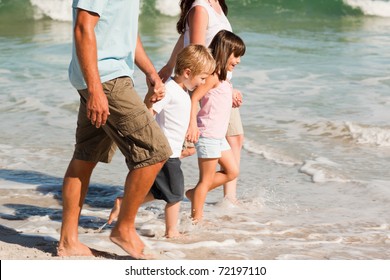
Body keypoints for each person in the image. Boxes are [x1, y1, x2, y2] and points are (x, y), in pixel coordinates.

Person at [57, 0, 172, 259]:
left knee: (84, 158)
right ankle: (124, 228)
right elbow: (83, 27)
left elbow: (127, 33)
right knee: (155, 150)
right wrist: (96, 89)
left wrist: (151, 73)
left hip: (106, 77)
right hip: (106, 80)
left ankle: (68, 241)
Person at [107, 45, 216, 238]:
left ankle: (124, 203)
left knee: (161, 192)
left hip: (172, 151)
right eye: (202, 78)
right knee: (175, 194)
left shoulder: (182, 92)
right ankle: (171, 231)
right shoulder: (170, 91)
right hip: (164, 152)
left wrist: (184, 145)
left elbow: (175, 123)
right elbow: (149, 114)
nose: (203, 83)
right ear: (187, 72)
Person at [159, 0, 244, 203]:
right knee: (185, 147)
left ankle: (228, 199)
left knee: (235, 139)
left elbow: (184, 38)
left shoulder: (217, 7)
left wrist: (226, 85)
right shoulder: (200, 8)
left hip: (221, 84)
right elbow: (197, 52)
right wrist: (215, 84)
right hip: (208, 86)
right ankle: (156, 188)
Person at [185, 30, 246, 221]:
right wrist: (192, 125)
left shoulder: (223, 78)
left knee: (232, 171)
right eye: (235, 56)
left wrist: (232, 93)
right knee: (206, 180)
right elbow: (194, 98)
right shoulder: (211, 76)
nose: (238, 61)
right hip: (208, 134)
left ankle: (195, 193)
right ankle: (197, 220)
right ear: (224, 51)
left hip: (219, 137)